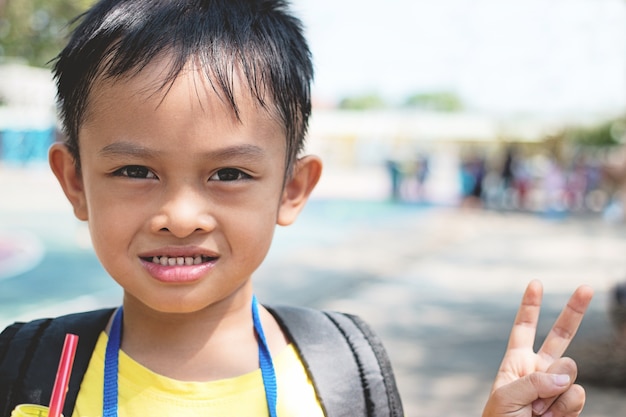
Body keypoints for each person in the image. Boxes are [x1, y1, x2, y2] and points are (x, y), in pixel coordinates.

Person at [0, 1, 594, 416]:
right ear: (74, 182)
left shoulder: (342, 372)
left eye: (229, 173)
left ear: (293, 188)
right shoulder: (25, 369)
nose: (180, 215)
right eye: (135, 171)